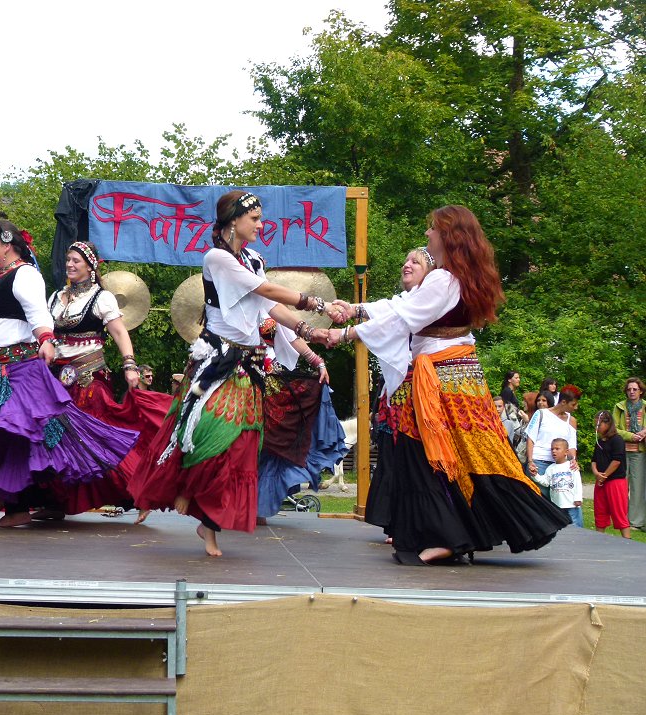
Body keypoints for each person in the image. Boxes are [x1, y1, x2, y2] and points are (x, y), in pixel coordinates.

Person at [324, 205, 569, 564]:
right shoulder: (456, 277)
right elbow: (401, 305)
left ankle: (449, 536)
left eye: (432, 230)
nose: (428, 235)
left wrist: (343, 333)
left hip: (440, 381)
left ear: (449, 236)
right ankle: (454, 533)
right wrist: (357, 310)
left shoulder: (444, 279)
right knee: (465, 455)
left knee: (430, 456)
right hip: (458, 376)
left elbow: (403, 318)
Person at [129, 190, 333, 556]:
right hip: (215, 362)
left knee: (239, 446)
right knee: (201, 431)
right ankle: (173, 488)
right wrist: (316, 303)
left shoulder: (253, 258)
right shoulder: (218, 258)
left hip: (247, 366)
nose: (259, 224)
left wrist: (308, 332)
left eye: (259, 217)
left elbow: (268, 306)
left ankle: (208, 524)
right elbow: (268, 289)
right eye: (253, 218)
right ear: (232, 221)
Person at [0, 220, 138, 527]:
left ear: (7, 245)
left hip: (14, 371)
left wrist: (46, 339)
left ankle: (16, 503)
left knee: (10, 435)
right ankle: (10, 498)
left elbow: (37, 313)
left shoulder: (26, 274)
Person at [43, 240, 173, 519]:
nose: (70, 265)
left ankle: (140, 492)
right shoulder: (55, 297)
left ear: (90, 266)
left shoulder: (101, 297)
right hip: (56, 378)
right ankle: (56, 502)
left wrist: (129, 365)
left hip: (89, 378)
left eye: (76, 260)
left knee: (95, 440)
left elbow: (119, 333)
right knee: (56, 438)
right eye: (68, 259)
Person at [359, 247, 436, 539]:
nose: (407, 265)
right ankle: (398, 520)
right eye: (405, 260)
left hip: (425, 388)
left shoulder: (429, 302)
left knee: (417, 453)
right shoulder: (403, 301)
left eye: (415, 262)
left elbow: (390, 321)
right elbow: (384, 312)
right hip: (398, 392)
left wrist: (348, 329)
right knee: (396, 452)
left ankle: (424, 521)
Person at [256, 319, 338, 525]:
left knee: (271, 444)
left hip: (268, 383)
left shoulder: (272, 306)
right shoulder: (230, 303)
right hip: (236, 375)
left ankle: (258, 506)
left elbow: (291, 335)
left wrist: (318, 362)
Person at [524, 385, 580, 500]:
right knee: (540, 502)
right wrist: (530, 461)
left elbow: (572, 445)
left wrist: (573, 460)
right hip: (539, 463)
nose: (576, 408)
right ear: (563, 402)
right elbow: (531, 438)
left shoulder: (572, 420)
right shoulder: (541, 414)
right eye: (573, 404)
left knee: (559, 503)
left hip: (560, 466)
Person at [591, 410, 631, 539]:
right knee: (600, 512)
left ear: (608, 424)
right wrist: (597, 473)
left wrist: (605, 475)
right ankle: (599, 540)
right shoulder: (599, 441)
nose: (597, 427)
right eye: (596, 424)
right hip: (601, 481)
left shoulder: (617, 439)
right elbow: (594, 460)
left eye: (599, 424)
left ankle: (627, 541)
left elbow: (617, 460)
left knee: (619, 512)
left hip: (615, 481)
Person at [613, 377, 646, 531]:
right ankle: (622, 519)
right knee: (621, 487)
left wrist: (644, 432)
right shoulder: (619, 407)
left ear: (641, 391)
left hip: (640, 451)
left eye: (635, 389)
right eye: (629, 389)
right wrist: (630, 436)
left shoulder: (645, 406)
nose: (632, 392)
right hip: (621, 451)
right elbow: (614, 429)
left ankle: (636, 522)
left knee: (638, 487)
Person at [530, 438, 583, 527]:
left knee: (575, 526)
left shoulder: (571, 466)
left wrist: (578, 498)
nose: (554, 451)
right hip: (557, 505)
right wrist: (535, 475)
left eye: (557, 449)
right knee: (561, 526)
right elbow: (545, 482)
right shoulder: (551, 468)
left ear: (566, 452)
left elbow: (578, 483)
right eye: (552, 449)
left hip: (571, 504)